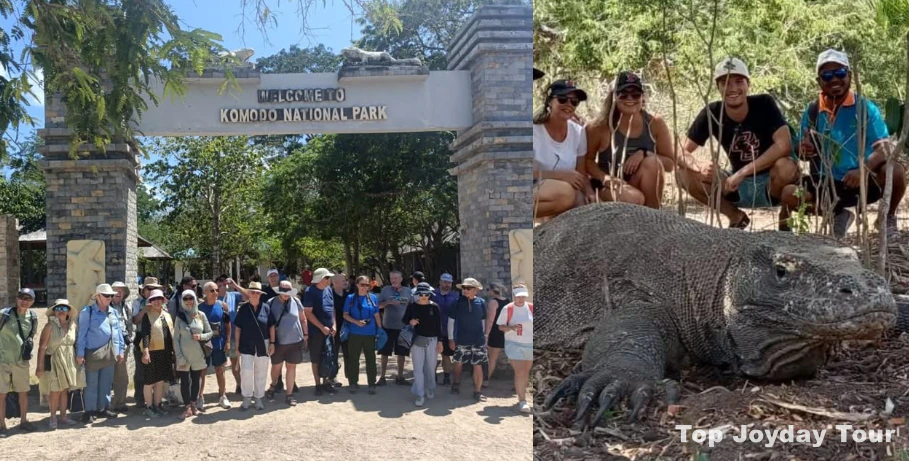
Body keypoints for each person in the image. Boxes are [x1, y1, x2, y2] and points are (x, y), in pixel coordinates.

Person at [783, 49, 906, 239]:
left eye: (840, 73)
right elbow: (802, 150)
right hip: (825, 183)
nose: (834, 79)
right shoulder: (813, 110)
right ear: (819, 80)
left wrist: (863, 169)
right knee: (789, 193)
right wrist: (803, 149)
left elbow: (885, 148)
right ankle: (837, 215)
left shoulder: (865, 107)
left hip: (861, 181)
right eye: (827, 75)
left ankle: (887, 218)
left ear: (849, 75)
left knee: (896, 171)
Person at [676, 57, 799, 229]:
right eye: (725, 83)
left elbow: (784, 145)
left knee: (787, 166)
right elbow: (679, 151)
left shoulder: (764, 104)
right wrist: (698, 166)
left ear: (748, 84)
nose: (733, 88)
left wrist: (742, 172)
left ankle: (785, 217)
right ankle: (735, 216)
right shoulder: (712, 112)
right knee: (682, 174)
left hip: (771, 183)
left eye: (739, 81)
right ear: (718, 87)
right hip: (734, 186)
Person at [584, 71, 675, 208]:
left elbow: (669, 164)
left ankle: (653, 217)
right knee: (634, 199)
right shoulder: (599, 126)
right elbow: (587, 161)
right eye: (623, 94)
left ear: (642, 97)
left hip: (637, 182)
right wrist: (605, 178)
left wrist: (645, 153)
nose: (630, 98)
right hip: (609, 186)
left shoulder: (654, 123)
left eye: (635, 94)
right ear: (614, 97)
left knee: (653, 163)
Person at [533, 79, 593, 219]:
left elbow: (581, 172)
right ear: (549, 102)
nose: (568, 105)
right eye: (562, 99)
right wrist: (560, 175)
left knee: (584, 204)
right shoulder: (533, 132)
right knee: (566, 194)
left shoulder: (578, 132)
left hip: (562, 193)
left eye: (574, 101)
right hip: (532, 189)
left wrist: (589, 192)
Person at [76, 284, 125, 423]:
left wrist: (120, 350)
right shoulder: (87, 312)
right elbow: (82, 334)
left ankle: (103, 408)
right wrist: (80, 353)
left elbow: (118, 333)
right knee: (91, 383)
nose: (109, 298)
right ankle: (90, 410)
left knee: (106, 382)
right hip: (92, 352)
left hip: (110, 351)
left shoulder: (113, 312)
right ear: (97, 296)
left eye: (111, 295)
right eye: (106, 295)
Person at [37, 299, 81, 429]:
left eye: (64, 308)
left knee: (65, 390)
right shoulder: (49, 326)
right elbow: (42, 347)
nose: (61, 311)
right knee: (55, 390)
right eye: (58, 308)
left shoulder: (73, 325)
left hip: (69, 360)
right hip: (54, 361)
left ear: (68, 311)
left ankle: (63, 416)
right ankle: (53, 417)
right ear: (54, 311)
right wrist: (39, 367)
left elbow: (75, 344)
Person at [0, 288, 39, 432]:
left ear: (32, 302)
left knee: (23, 392)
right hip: (2, 359)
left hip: (21, 361)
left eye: (28, 299)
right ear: (16, 299)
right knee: (1, 393)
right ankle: (1, 424)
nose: (24, 301)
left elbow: (31, 336)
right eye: (22, 297)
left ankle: (24, 421)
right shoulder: (4, 314)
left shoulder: (33, 318)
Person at [233, 282, 275, 411]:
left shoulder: (266, 308)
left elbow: (271, 326)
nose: (255, 294)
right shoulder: (243, 309)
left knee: (261, 372)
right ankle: (246, 398)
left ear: (260, 294)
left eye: (257, 292)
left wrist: (272, 343)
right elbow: (238, 329)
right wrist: (237, 346)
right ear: (248, 294)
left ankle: (258, 398)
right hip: (246, 345)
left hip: (263, 344)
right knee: (246, 371)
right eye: (252, 292)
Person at [266, 280, 307, 406]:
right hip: (278, 342)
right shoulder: (271, 302)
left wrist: (306, 335)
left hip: (295, 341)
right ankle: (273, 385)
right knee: (276, 367)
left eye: (288, 291)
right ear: (279, 291)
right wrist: (271, 342)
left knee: (291, 367)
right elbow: (268, 323)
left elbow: (303, 318)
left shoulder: (296, 301)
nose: (286, 294)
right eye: (283, 291)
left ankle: (289, 394)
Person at [173, 289, 212, 420]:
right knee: (185, 382)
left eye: (191, 298)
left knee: (196, 380)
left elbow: (210, 333)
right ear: (182, 301)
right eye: (185, 299)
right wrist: (179, 357)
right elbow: (176, 339)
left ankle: (194, 405)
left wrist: (200, 336)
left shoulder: (201, 315)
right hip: (183, 356)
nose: (189, 301)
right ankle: (187, 407)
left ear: (195, 299)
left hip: (198, 355)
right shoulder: (180, 317)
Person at [402, 283, 443, 407]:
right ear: (417, 295)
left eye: (426, 294)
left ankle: (430, 388)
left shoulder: (435, 307)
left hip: (432, 340)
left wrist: (440, 342)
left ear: (430, 295)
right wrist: (411, 321)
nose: (424, 296)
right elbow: (404, 320)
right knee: (418, 368)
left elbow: (439, 326)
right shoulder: (412, 306)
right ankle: (420, 394)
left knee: (430, 367)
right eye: (421, 294)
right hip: (417, 340)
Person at [448, 277, 488, 401]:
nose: (465, 290)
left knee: (478, 365)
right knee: (458, 363)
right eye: (464, 288)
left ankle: (477, 391)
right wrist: (451, 339)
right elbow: (451, 321)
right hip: (461, 338)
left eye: (468, 288)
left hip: (478, 340)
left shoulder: (481, 302)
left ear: (475, 290)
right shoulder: (457, 302)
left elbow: (483, 320)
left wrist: (484, 336)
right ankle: (456, 383)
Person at [137, 290, 175, 419]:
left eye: (159, 298)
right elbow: (145, 333)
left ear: (163, 300)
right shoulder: (148, 315)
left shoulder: (167, 315)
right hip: (152, 352)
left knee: (160, 380)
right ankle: (149, 407)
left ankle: (157, 405)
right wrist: (146, 351)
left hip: (165, 352)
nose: (157, 301)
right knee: (149, 381)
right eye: (154, 299)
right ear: (150, 301)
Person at [496, 284, 533, 414]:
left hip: (529, 344)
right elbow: (500, 327)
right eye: (518, 296)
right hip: (514, 344)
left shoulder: (531, 307)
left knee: (526, 371)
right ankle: (522, 401)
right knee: (520, 372)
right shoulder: (508, 309)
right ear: (514, 296)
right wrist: (511, 328)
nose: (521, 299)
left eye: (523, 296)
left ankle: (522, 396)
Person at [343, 276, 382, 394]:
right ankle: (353, 383)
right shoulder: (350, 298)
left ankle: (371, 383)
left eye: (367, 285)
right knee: (353, 359)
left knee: (371, 359)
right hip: (354, 333)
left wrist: (379, 329)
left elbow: (376, 315)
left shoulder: (373, 298)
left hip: (370, 333)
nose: (365, 287)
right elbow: (345, 314)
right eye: (362, 285)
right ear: (357, 285)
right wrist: (356, 322)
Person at [302, 268, 338, 396]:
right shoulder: (310, 291)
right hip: (316, 331)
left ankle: (326, 383)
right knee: (316, 358)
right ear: (320, 278)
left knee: (328, 356)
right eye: (327, 277)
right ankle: (317, 384)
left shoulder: (329, 290)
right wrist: (321, 327)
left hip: (329, 331)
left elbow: (332, 308)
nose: (329, 280)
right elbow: (307, 312)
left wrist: (334, 324)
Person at [198, 281, 232, 410]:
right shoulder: (200, 308)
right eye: (212, 290)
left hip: (219, 343)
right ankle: (200, 397)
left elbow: (228, 325)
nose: (215, 293)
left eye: (217, 290)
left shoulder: (223, 306)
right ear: (205, 292)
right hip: (204, 344)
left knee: (220, 369)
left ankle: (223, 396)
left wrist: (228, 341)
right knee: (202, 371)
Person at [377, 270, 412, 386]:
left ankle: (400, 377)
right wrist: (388, 302)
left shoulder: (408, 291)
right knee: (384, 352)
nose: (394, 280)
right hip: (387, 326)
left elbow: (413, 306)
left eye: (396, 278)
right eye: (392, 278)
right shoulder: (385, 290)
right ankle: (382, 377)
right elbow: (377, 305)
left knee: (401, 353)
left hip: (403, 327)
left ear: (401, 279)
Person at [132, 276, 163, 408]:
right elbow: (135, 321)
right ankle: (140, 398)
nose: (152, 291)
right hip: (141, 337)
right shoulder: (137, 302)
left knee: (156, 371)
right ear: (143, 290)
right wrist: (145, 309)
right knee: (140, 370)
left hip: (158, 339)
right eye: (149, 288)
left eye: (155, 289)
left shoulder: (160, 301)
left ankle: (155, 400)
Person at [216, 275, 247, 395]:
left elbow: (248, 296)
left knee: (235, 365)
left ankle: (239, 385)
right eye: (218, 286)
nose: (221, 288)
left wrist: (235, 285)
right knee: (220, 365)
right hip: (219, 337)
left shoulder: (233, 295)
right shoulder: (213, 298)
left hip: (233, 335)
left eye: (223, 285)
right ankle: (221, 390)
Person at [432, 273, 459, 386]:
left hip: (449, 329)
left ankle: (447, 376)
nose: (446, 284)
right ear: (440, 282)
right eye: (444, 282)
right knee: (433, 355)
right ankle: (432, 376)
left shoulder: (456, 295)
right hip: (434, 328)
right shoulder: (433, 294)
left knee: (446, 354)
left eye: (449, 282)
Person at [109, 281, 132, 412]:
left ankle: (120, 403)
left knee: (121, 376)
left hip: (123, 346)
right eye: (115, 290)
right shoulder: (105, 307)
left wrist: (131, 337)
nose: (118, 293)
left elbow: (129, 324)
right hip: (108, 346)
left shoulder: (126, 307)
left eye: (121, 290)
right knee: (107, 376)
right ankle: (105, 405)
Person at [484, 283, 511, 385]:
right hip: (504, 331)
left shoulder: (493, 302)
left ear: (492, 290)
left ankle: (485, 380)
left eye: (488, 290)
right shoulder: (507, 301)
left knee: (491, 359)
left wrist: (486, 335)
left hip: (494, 332)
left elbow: (490, 320)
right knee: (493, 358)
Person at [330, 274, 349, 386]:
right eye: (343, 280)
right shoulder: (329, 295)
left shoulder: (349, 296)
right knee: (334, 354)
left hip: (347, 329)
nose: (345, 282)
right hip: (334, 330)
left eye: (345, 280)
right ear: (335, 282)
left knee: (348, 354)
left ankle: (350, 377)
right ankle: (332, 377)